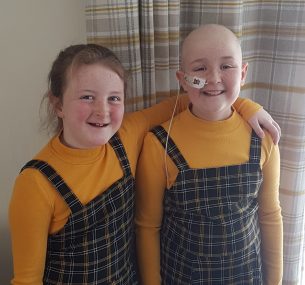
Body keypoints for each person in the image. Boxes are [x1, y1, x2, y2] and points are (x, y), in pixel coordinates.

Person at [9, 43, 279, 285]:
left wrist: (247, 106)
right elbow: (27, 279)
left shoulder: (125, 135)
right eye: (87, 97)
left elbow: (200, 98)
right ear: (58, 105)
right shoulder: (36, 182)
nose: (103, 111)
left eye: (114, 98)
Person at [135, 24, 283, 285]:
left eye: (226, 67)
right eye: (200, 68)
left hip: (247, 276)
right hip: (180, 276)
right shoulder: (159, 143)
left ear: (243, 73)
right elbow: (148, 226)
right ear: (182, 79)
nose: (214, 78)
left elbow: (270, 215)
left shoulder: (262, 138)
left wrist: (276, 280)